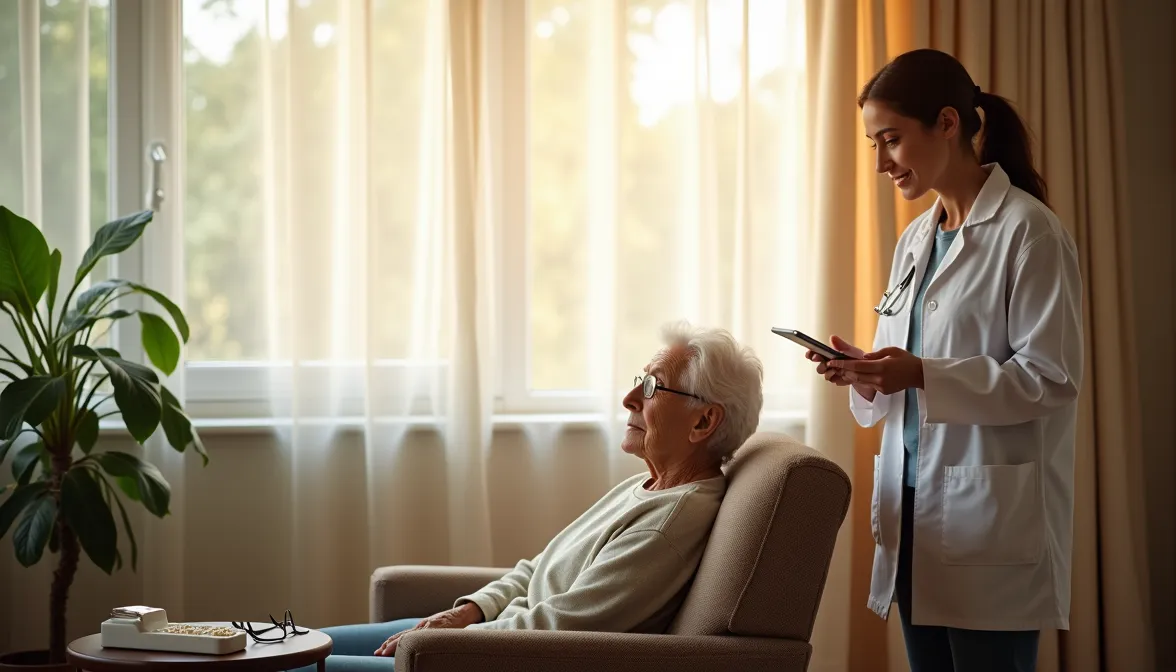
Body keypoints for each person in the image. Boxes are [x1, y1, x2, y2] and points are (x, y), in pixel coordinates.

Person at [808, 49, 1083, 672]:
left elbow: (1052, 378)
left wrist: (922, 373)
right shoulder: (916, 238)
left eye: (892, 140)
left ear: (949, 123)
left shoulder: (1029, 233)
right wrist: (869, 371)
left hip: (988, 517)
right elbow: (911, 361)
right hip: (915, 516)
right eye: (874, 144)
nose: (880, 162)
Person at [292, 321, 764, 671]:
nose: (628, 399)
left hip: (484, 660)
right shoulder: (648, 487)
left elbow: (563, 629)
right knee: (287, 646)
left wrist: (454, 641)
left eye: (650, 386)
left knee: (276, 665)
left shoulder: (672, 522)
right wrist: (468, 610)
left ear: (704, 422)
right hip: (478, 639)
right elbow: (537, 569)